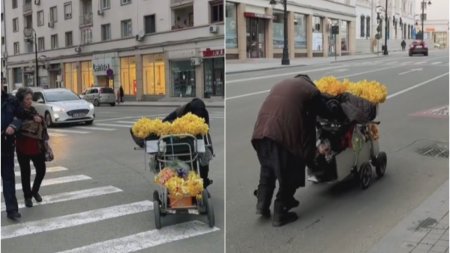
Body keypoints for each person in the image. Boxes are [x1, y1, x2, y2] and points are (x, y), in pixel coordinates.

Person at [251, 75, 339, 227]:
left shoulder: (282, 84)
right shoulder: (311, 92)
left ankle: (262, 205)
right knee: (292, 170)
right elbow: (323, 112)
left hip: (260, 131)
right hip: (281, 135)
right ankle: (281, 211)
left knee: (268, 168)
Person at [163, 98, 213, 188]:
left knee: (204, 155)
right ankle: (179, 182)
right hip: (180, 143)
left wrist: (209, 149)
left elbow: (206, 132)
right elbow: (165, 121)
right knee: (181, 162)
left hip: (195, 141)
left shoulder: (204, 113)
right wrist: (177, 124)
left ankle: (203, 182)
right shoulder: (181, 111)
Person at [15, 87, 48, 208]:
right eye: (27, 99)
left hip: (35, 146)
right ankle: (27, 197)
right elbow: (21, 120)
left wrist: (40, 119)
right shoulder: (18, 111)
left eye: (30, 99)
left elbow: (41, 122)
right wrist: (33, 119)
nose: (29, 101)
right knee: (25, 173)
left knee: (41, 169)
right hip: (22, 146)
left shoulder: (33, 110)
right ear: (21, 100)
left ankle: (34, 191)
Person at [1, 87, 22, 220]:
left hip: (5, 145)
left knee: (8, 178)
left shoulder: (11, 100)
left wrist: (13, 126)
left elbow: (20, 116)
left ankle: (12, 210)